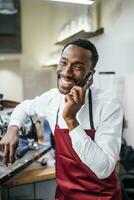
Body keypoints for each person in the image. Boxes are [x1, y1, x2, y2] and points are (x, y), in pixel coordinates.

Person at [0, 39, 123, 200]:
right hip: (65, 195)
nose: (66, 72)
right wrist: (13, 128)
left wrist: (71, 119)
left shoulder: (108, 104)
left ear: (90, 74)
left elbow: (104, 169)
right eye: (63, 63)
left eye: (77, 67)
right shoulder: (52, 98)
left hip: (101, 197)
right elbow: (24, 107)